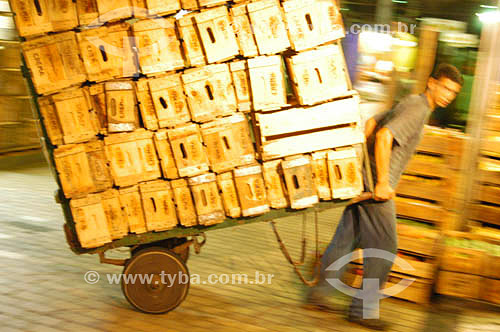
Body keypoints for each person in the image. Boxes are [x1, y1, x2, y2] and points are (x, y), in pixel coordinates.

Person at [305, 64, 463, 331]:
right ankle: (362, 312)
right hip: (377, 189)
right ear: (431, 82)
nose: (448, 95)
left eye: (454, 92)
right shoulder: (418, 107)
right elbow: (384, 135)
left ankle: (319, 295)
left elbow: (372, 123)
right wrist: (380, 181)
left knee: (345, 240)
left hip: (367, 181)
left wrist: (360, 165)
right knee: (385, 249)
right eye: (445, 87)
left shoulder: (411, 103)